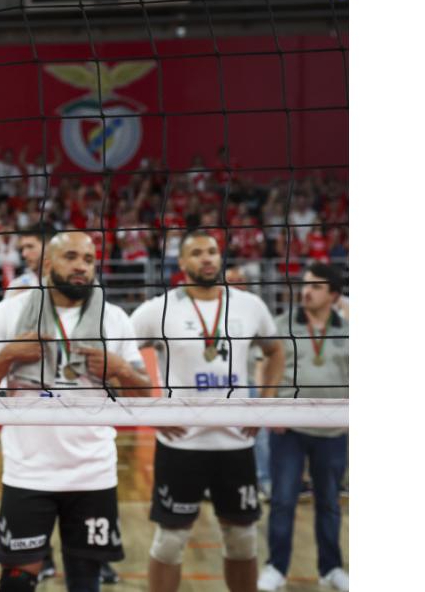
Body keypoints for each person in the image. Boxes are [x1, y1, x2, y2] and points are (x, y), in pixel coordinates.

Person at [0, 232, 153, 592]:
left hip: (93, 474)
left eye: (88, 259)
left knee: (86, 582)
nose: (82, 266)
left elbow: (146, 398)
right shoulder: (9, 313)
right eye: (71, 257)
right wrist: (7, 356)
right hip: (28, 474)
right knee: (17, 582)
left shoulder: (113, 318)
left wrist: (122, 370)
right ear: (48, 264)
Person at [130, 229, 285, 592]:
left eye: (212, 251)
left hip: (235, 445)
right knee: (170, 543)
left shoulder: (249, 305)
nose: (207, 258)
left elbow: (275, 350)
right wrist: (147, 412)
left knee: (243, 539)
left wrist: (263, 404)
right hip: (182, 446)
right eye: (197, 252)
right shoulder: (160, 308)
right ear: (182, 263)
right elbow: (118, 352)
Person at [256, 263, 349, 592]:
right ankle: (276, 568)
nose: (306, 291)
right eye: (305, 284)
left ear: (334, 295)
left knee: (329, 503)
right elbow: (265, 368)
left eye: (317, 286)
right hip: (289, 430)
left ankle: (331, 568)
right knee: (282, 501)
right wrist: (269, 411)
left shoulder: (349, 328)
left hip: (335, 432)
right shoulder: (282, 325)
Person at [4, 222, 59, 299]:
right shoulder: (17, 285)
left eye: (30, 246)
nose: (24, 254)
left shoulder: (68, 284)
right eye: (22, 248)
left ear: (50, 246)